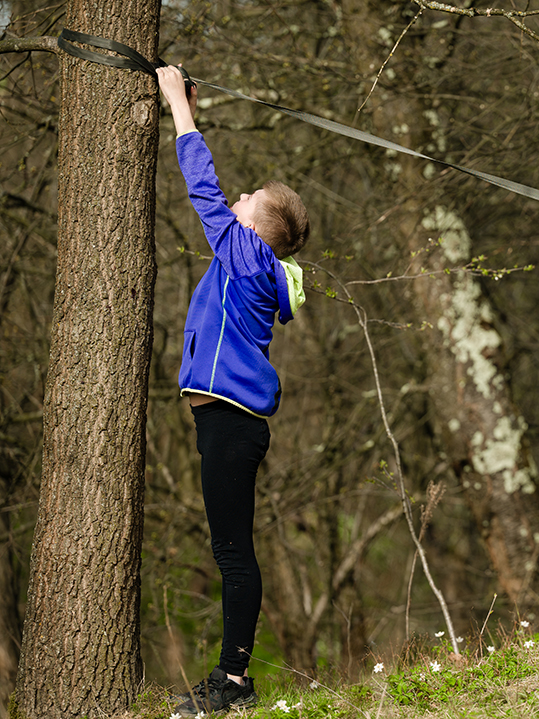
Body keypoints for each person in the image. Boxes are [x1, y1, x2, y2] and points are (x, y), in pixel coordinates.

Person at [156, 64, 309, 713]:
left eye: (247, 200)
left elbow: (204, 190)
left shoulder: (249, 257)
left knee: (232, 552)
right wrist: (187, 104)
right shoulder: (246, 262)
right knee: (229, 548)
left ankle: (234, 683)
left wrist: (178, 111)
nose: (236, 199)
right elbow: (224, 205)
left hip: (231, 421)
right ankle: (233, 679)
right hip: (223, 421)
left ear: (253, 231)